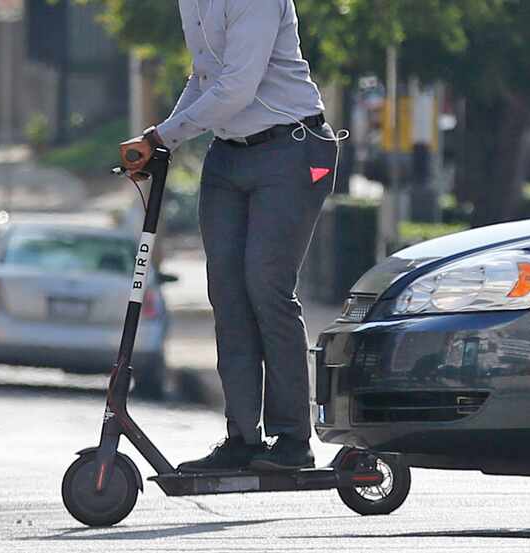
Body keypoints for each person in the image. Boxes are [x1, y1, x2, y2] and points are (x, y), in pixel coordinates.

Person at [120, 0, 339, 472]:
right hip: (228, 155)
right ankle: (242, 438)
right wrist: (157, 141)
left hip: (293, 147)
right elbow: (204, 79)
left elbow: (237, 87)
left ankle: (292, 441)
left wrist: (162, 136)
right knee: (227, 293)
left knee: (267, 285)